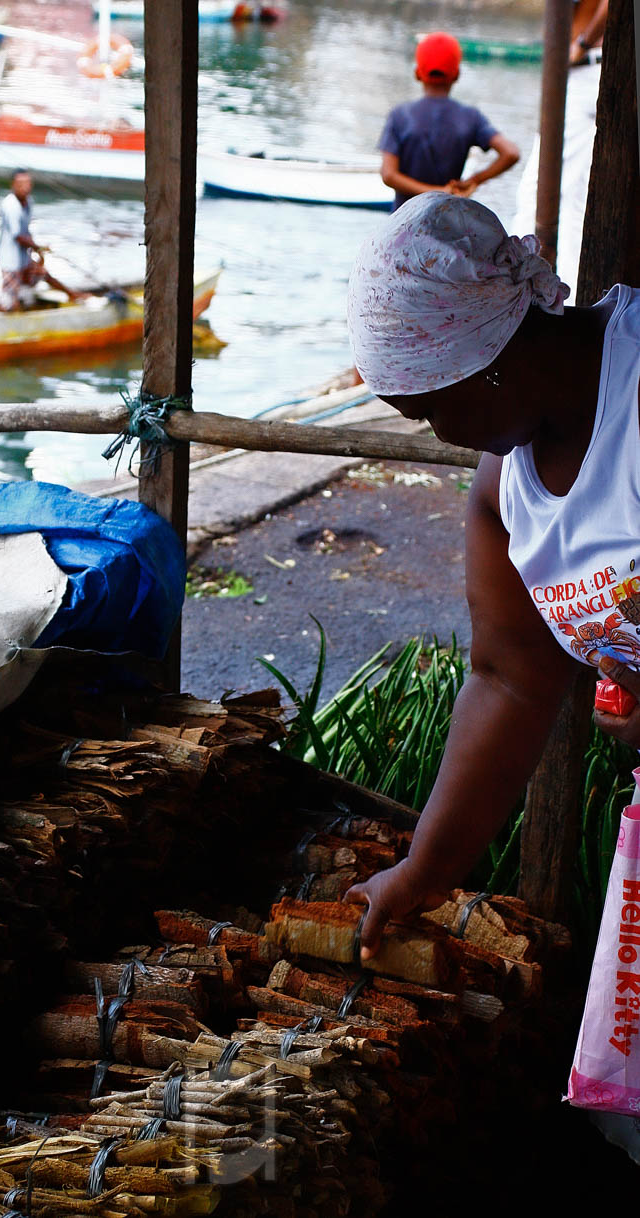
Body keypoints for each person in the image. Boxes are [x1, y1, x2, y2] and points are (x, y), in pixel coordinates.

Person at [344, 191, 640, 961]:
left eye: (430, 409)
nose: (439, 433)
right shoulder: (503, 487)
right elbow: (510, 677)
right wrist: (427, 869)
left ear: (490, 363)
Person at [511, 0, 609, 302]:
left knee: (559, 200)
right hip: (581, 72)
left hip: (586, 67)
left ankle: (558, 300)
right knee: (542, 197)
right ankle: (537, 296)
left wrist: (581, 43)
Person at [379, 31, 520, 213]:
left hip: (402, 224)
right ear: (457, 75)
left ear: (417, 73)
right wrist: (473, 181)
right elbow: (511, 153)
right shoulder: (470, 117)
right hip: (447, 224)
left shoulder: (399, 115)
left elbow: (388, 175)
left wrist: (434, 192)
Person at [0, 170, 80, 312]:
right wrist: (38, 247)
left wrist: (38, 250)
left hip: (23, 257)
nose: (25, 187)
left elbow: (26, 231)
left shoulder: (29, 202)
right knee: (9, 299)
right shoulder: (10, 205)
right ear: (13, 185)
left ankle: (73, 295)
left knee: (43, 273)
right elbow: (18, 236)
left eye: (27, 184)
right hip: (10, 260)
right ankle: (8, 317)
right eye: (20, 184)